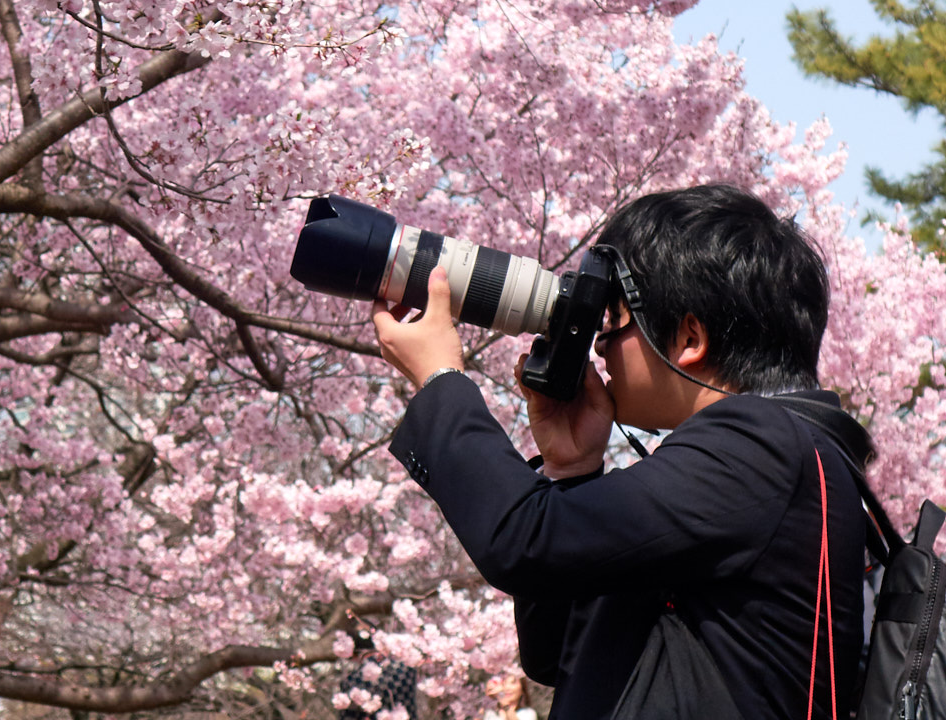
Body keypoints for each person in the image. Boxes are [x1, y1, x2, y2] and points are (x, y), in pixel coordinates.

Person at [371, 184, 866, 719]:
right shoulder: (782, 456)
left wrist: (442, 379)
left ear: (689, 339)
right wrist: (572, 471)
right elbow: (555, 653)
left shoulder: (763, 444)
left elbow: (523, 542)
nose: (600, 345)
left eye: (615, 320)